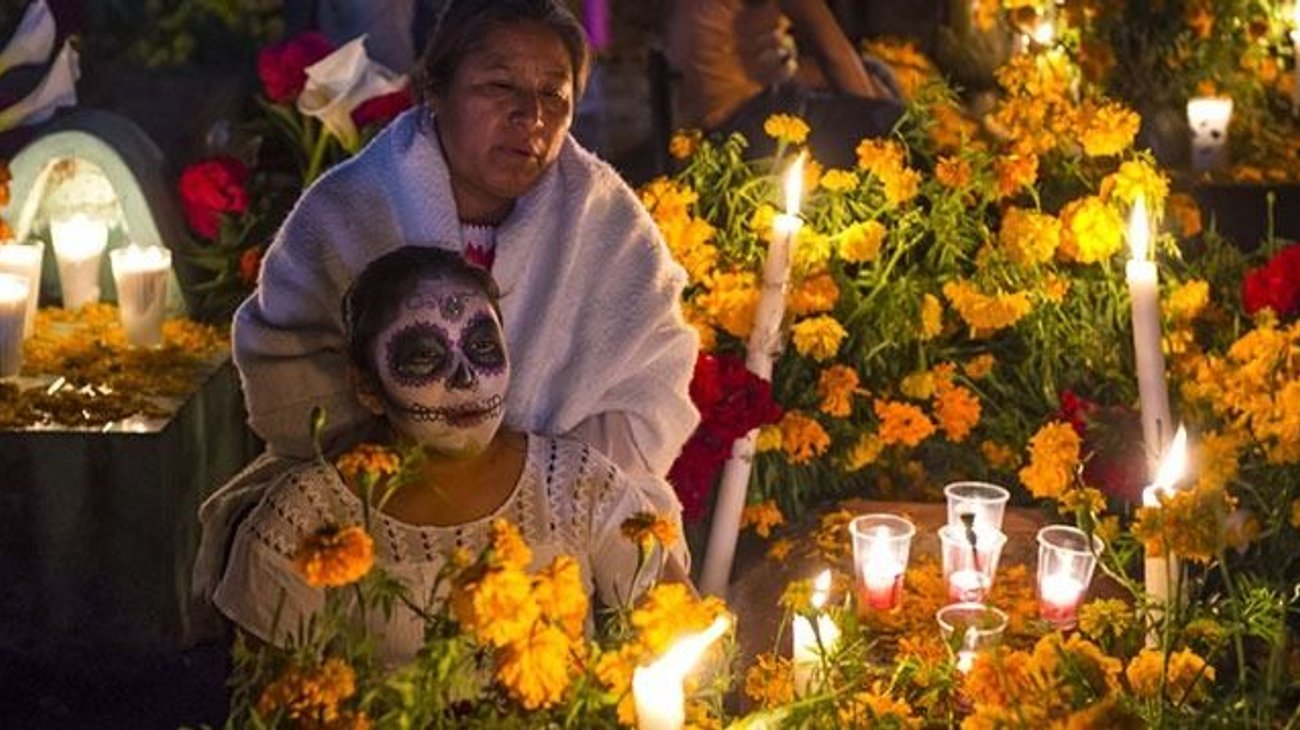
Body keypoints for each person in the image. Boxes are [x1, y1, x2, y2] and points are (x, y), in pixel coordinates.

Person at [193, 0, 698, 611]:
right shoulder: (349, 208)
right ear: (435, 88)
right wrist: (429, 475)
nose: (529, 116)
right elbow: (286, 373)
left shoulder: (607, 222)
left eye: (553, 96)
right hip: (379, 505)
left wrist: (538, 481)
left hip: (561, 520)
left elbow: (653, 387)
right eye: (498, 85)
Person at [214, 246, 668, 664]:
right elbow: (267, 704)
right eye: (424, 357)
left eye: (482, 347)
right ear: (367, 388)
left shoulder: (579, 485)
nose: (466, 378)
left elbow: (679, 632)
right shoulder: (306, 521)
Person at [663, 0, 903, 167]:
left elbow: (772, 62)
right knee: (887, 120)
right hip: (732, 122)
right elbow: (832, 54)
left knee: (875, 72)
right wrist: (885, 133)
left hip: (741, 96)